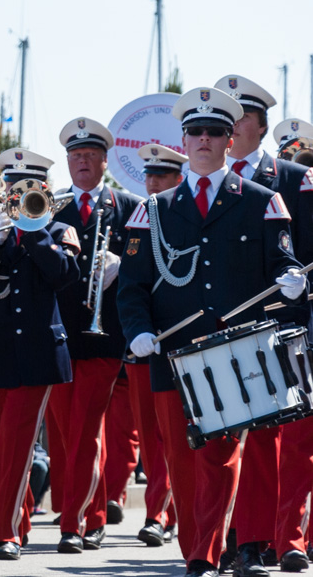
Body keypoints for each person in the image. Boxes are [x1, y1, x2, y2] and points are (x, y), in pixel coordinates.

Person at [118, 86, 307, 577]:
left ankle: (236, 550)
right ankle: (202, 549)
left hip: (240, 352)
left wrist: (291, 285)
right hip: (175, 353)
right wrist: (137, 331)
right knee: (185, 461)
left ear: (229, 139)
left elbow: (283, 269)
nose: (204, 139)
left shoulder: (263, 203)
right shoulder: (152, 211)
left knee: (233, 455)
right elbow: (133, 289)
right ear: (183, 140)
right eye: (195, 132)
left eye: (215, 131)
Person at [214, 74, 313, 577]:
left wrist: (304, 287)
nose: (228, 127)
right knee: (245, 438)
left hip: (288, 326)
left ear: (257, 124)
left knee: (290, 439)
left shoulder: (294, 179)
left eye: (238, 118)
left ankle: (286, 539)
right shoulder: (213, 184)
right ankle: (249, 539)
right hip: (233, 330)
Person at [0, 148, 80, 560]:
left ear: (44, 190)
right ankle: (19, 518)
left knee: (16, 444)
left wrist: (32, 230)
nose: (21, 195)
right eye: (14, 188)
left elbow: (65, 277)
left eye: (29, 188)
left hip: (36, 353)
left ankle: (5, 532)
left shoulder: (60, 229)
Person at [47, 116, 142, 553]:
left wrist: (122, 265)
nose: (82, 162)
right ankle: (91, 510)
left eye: (90, 155)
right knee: (68, 433)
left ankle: (76, 522)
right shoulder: (52, 209)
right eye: (75, 155)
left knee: (85, 428)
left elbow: (148, 269)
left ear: (105, 161)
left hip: (105, 339)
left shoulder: (128, 207)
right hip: (61, 337)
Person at [125, 143, 185, 547]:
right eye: (148, 175)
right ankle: (160, 511)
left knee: (178, 436)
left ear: (177, 179)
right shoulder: (139, 213)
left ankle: (164, 513)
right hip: (140, 343)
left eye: (160, 176)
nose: (152, 183)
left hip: (180, 341)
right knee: (151, 436)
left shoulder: (181, 216)